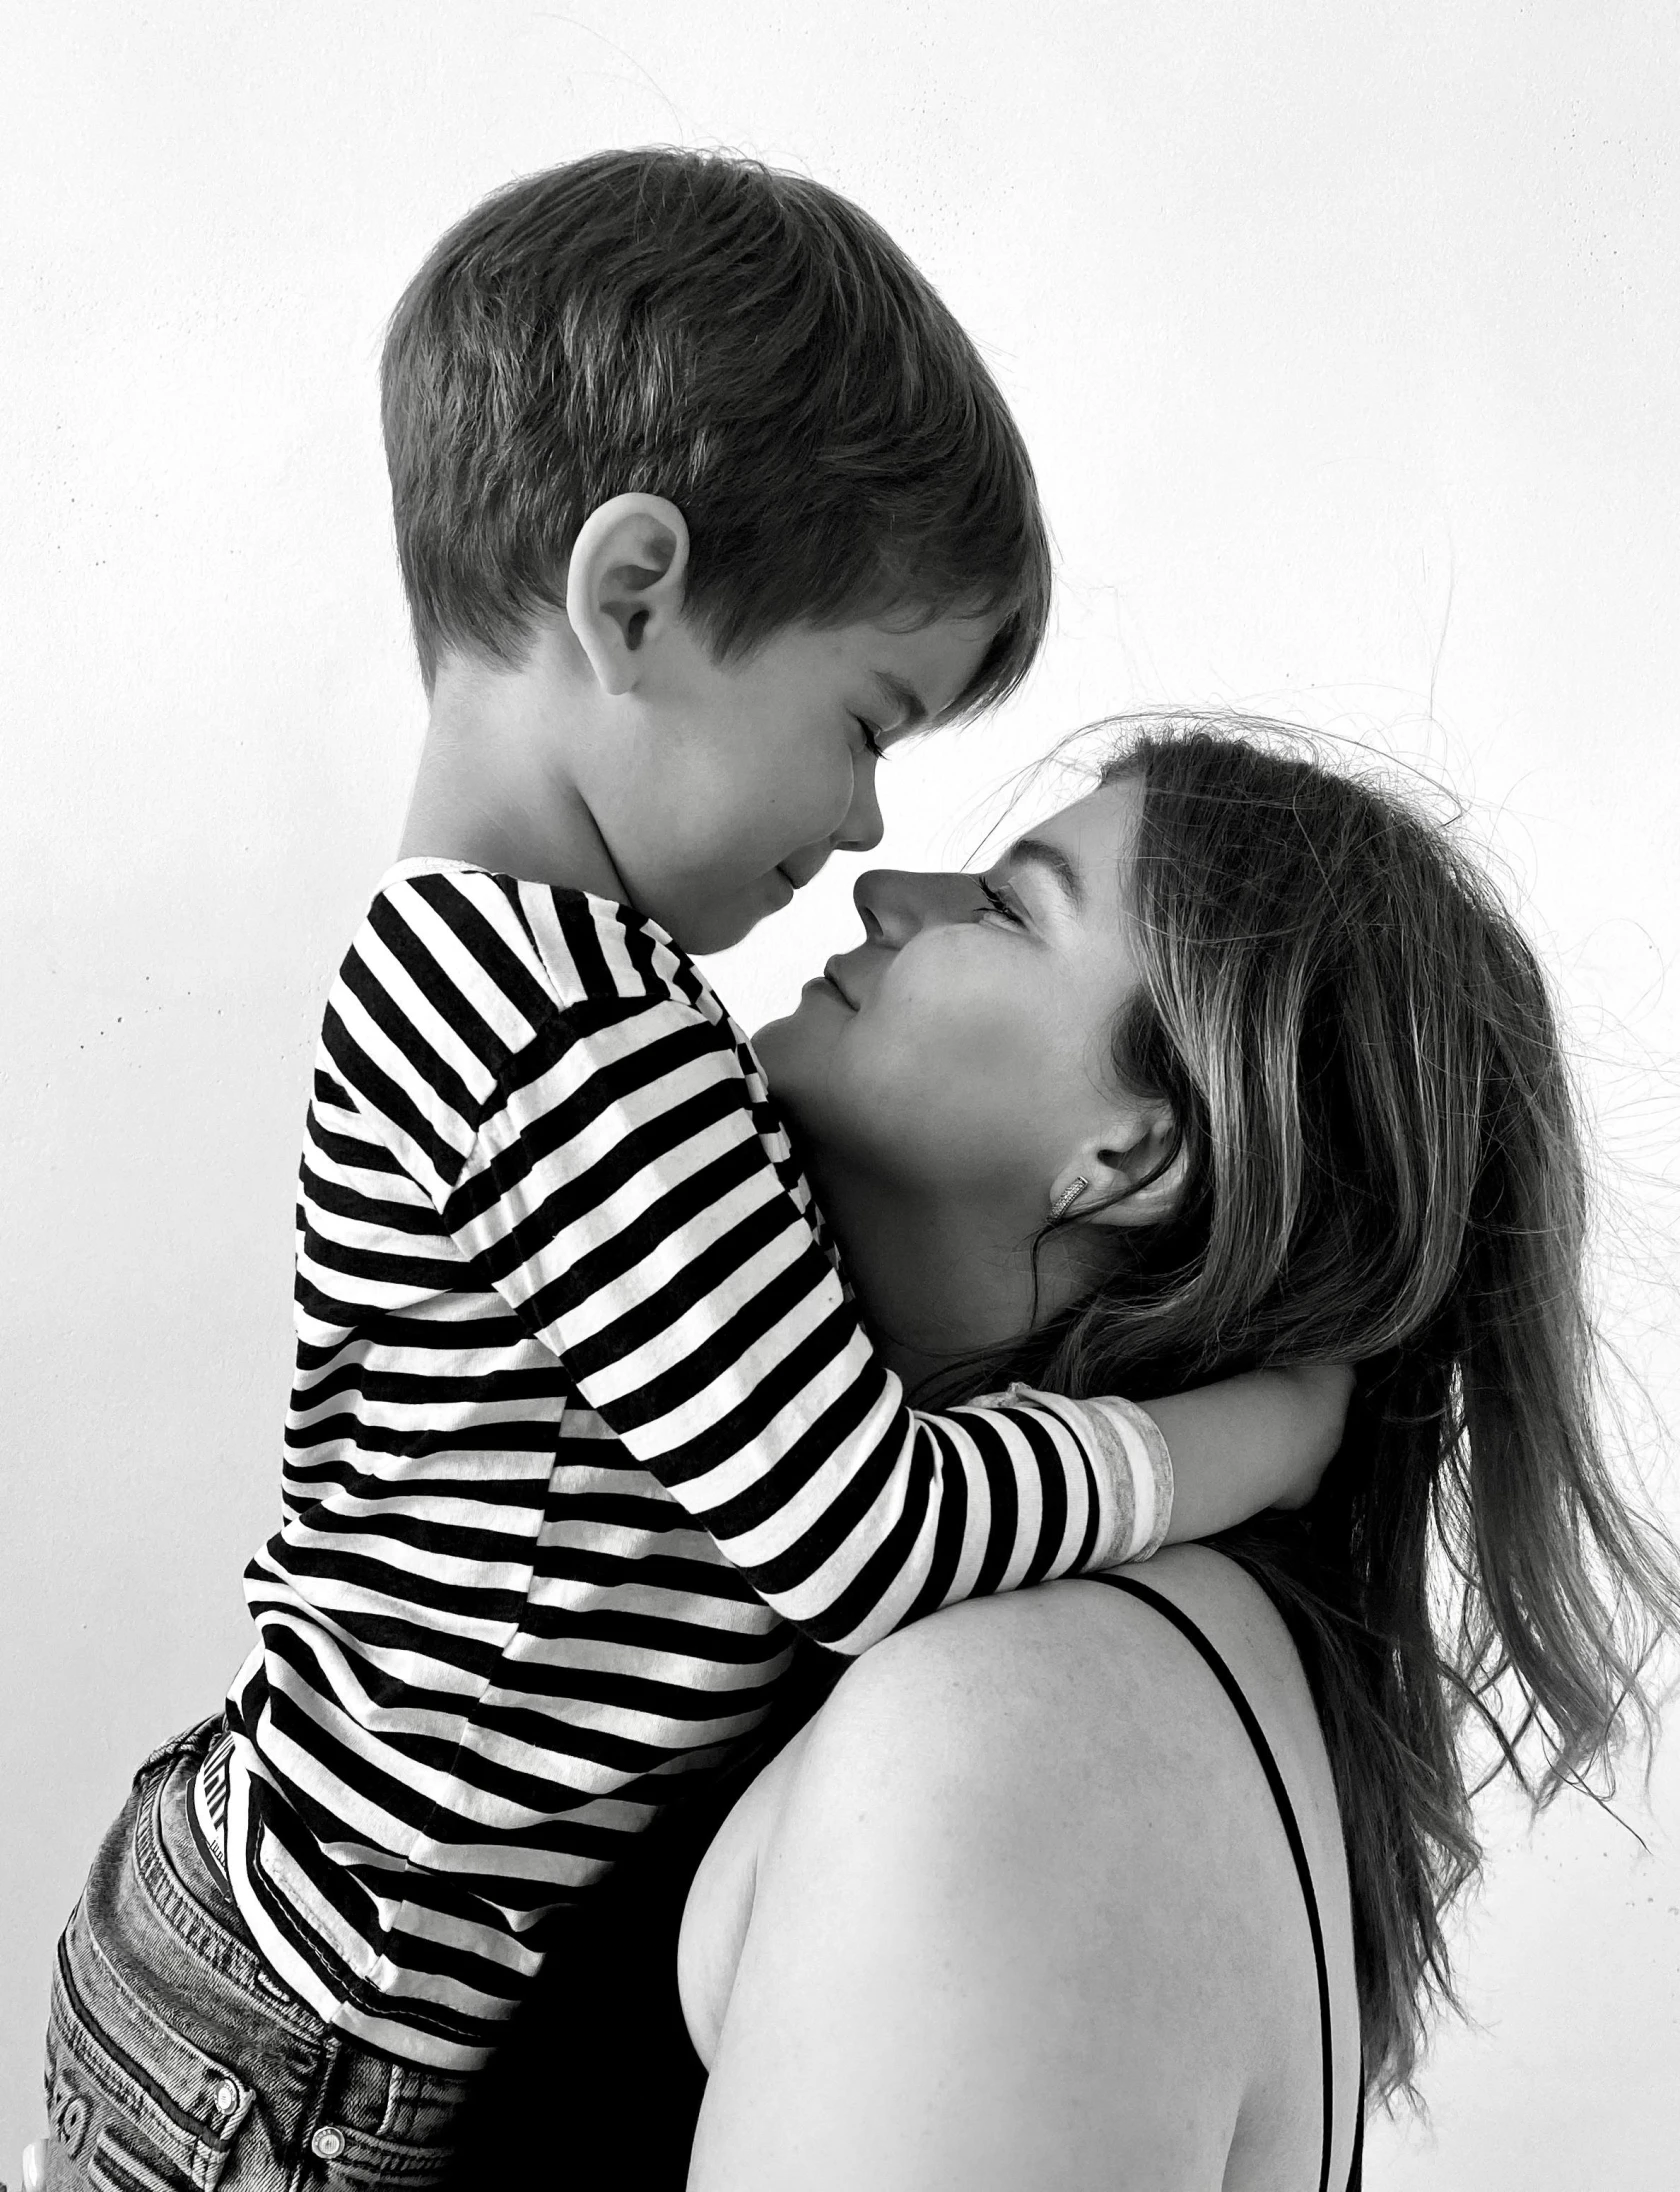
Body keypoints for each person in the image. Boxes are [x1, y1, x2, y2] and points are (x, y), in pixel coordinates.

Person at [33, 162, 1345, 2192]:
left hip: (299, 1971)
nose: (862, 820)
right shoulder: (561, 1040)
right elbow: (858, 1531)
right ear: (630, 597)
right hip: (309, 2012)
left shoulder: (566, 1005)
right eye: (863, 719)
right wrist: (1228, 1445)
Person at [442, 719, 1676, 2187]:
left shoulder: (1013, 1731)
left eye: (1011, 908)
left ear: (1134, 1158)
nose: (883, 889)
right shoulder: (1011, 1643)